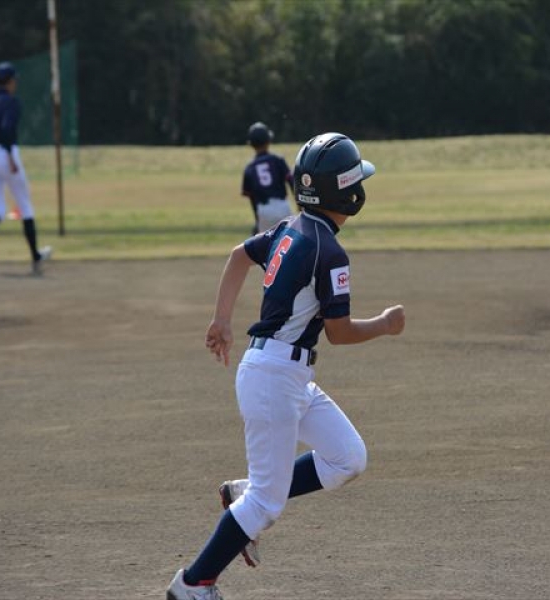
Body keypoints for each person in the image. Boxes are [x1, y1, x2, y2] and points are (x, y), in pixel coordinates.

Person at [166, 132, 406, 600]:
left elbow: (239, 256)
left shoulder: (290, 227)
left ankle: (243, 493)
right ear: (348, 194)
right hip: (275, 378)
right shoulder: (329, 251)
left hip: (283, 373)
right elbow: (339, 332)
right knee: (266, 503)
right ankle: (193, 585)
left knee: (348, 457)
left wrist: (222, 319)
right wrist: (384, 324)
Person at [0, 61, 51, 274]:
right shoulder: (12, 102)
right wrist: (8, 155)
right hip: (5, 154)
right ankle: (35, 257)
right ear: (9, 82)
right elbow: (7, 127)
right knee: (25, 206)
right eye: (14, 80)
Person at [241, 121, 295, 235]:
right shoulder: (278, 160)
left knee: (266, 243)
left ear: (251, 144)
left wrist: (258, 219)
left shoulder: (250, 168)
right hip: (282, 207)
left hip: (263, 210)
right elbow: (291, 181)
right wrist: (299, 203)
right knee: (288, 240)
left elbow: (252, 198)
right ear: (268, 141)